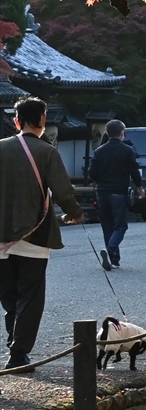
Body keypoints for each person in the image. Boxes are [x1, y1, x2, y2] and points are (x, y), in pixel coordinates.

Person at [0, 97, 85, 371]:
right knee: (31, 295)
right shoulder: (47, 152)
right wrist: (75, 213)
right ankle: (19, 353)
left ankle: (14, 341)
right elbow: (62, 191)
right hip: (35, 235)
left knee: (10, 296)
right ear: (43, 120)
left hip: (1, 236)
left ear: (16, 120)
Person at [87, 119, 142, 270]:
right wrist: (139, 186)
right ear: (122, 133)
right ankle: (111, 249)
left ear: (107, 133)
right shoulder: (127, 150)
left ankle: (114, 259)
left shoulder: (99, 151)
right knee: (120, 226)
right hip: (119, 191)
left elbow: (92, 173)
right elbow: (134, 170)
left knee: (107, 225)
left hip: (102, 191)